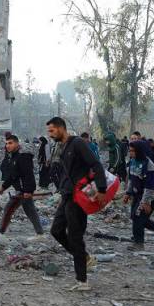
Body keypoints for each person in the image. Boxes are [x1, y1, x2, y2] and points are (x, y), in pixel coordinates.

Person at [47, 117, 107, 291]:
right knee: (56, 231)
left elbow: (96, 164)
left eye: (52, 131)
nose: (50, 135)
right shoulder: (62, 147)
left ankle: (82, 281)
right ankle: (85, 257)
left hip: (78, 199)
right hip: (66, 195)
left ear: (61, 128)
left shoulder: (78, 143)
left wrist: (101, 189)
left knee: (75, 237)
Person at [124, 141, 154, 251]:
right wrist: (128, 193)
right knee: (136, 217)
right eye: (129, 150)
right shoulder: (132, 162)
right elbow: (132, 180)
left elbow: (150, 186)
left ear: (139, 151)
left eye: (132, 151)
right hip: (138, 194)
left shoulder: (148, 165)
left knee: (138, 217)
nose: (130, 153)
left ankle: (138, 243)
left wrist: (146, 202)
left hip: (150, 195)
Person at [0, 135, 43, 235]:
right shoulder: (14, 157)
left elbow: (28, 175)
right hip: (22, 190)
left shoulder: (22, 157)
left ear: (17, 144)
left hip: (23, 191)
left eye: (10, 143)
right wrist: (4, 186)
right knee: (30, 211)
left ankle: (0, 231)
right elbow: (13, 176)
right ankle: (40, 232)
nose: (7, 146)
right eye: (6, 143)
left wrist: (28, 191)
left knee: (8, 209)